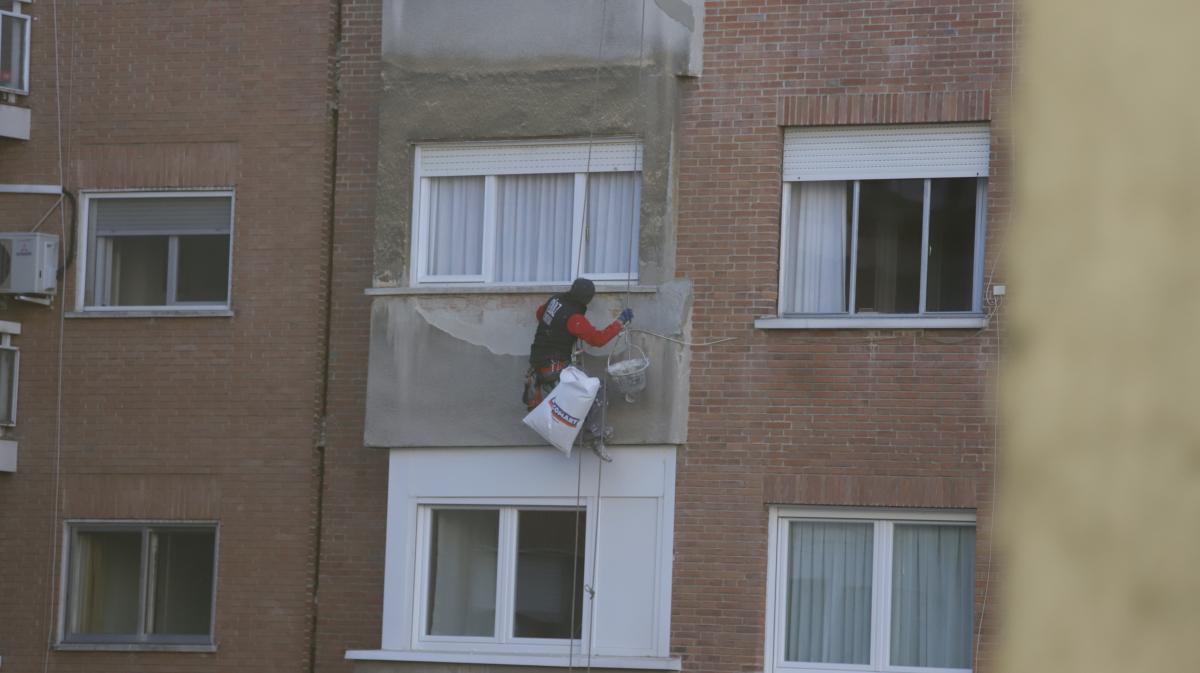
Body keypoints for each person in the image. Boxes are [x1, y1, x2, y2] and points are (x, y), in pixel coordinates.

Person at [524, 278, 633, 413]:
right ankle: (594, 431)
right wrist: (620, 322)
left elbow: (540, 314)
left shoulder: (555, 300)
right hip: (554, 370)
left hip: (537, 366)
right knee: (597, 390)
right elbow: (597, 340)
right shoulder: (574, 318)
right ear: (587, 299)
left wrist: (558, 331)